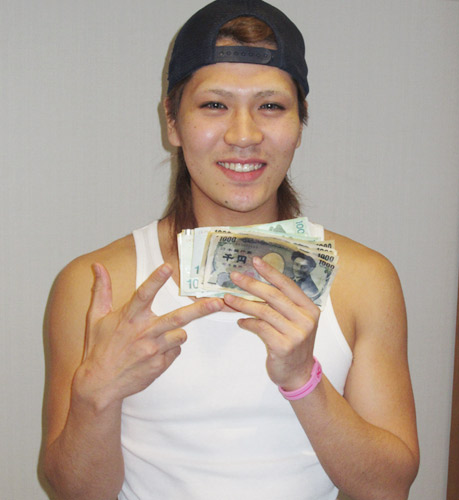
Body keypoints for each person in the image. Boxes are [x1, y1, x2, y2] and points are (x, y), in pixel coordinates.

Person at [42, 1, 420, 499]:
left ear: (300, 123)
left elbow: (389, 487)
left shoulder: (363, 280)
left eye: (271, 106)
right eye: (214, 105)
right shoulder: (97, 286)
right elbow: (75, 492)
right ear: (172, 122)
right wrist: (96, 395)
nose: (244, 135)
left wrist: (303, 381)